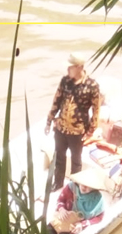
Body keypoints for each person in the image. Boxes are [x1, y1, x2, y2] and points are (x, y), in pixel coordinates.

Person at [44, 53, 102, 192]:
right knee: (59, 157)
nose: (67, 70)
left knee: (76, 161)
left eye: (70, 67)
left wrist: (90, 131)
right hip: (61, 128)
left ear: (79, 67)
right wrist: (49, 120)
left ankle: (75, 187)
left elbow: (96, 110)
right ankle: (58, 183)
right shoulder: (65, 81)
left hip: (77, 131)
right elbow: (56, 101)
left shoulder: (91, 86)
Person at [47, 167, 108, 234]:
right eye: (83, 184)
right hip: (63, 219)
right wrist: (62, 209)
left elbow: (99, 217)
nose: (85, 188)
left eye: (90, 186)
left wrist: (82, 224)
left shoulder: (98, 199)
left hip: (75, 227)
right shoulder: (70, 187)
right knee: (46, 233)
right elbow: (60, 200)